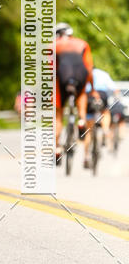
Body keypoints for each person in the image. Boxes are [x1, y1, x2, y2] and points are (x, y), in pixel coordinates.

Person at [55, 23, 94, 164]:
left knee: (58, 116)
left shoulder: (54, 45)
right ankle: (82, 120)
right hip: (80, 75)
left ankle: (57, 149)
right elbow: (89, 68)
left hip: (62, 77)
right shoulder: (82, 43)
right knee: (81, 95)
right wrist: (93, 88)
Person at [84, 67, 115, 165]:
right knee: (105, 112)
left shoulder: (85, 73)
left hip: (89, 95)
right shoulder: (104, 73)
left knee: (88, 131)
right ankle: (105, 129)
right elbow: (113, 87)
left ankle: (86, 157)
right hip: (102, 94)